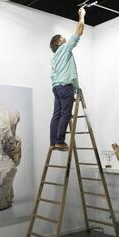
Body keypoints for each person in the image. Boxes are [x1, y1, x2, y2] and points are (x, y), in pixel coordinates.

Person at [49, 7, 86, 151]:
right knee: (66, 114)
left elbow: (56, 75)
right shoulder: (64, 48)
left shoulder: (54, 58)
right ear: (58, 42)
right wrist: (81, 15)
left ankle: (53, 141)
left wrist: (75, 88)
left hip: (56, 87)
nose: (65, 38)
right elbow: (79, 31)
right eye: (62, 38)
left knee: (56, 114)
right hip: (65, 87)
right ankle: (59, 140)